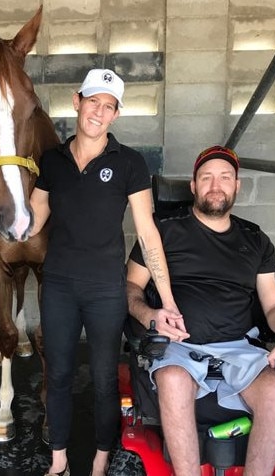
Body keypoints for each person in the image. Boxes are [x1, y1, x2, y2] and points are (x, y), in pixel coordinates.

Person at [29, 68, 181, 476]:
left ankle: (99, 459)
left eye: (108, 106)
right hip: (58, 285)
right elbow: (31, 222)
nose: (99, 111)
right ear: (77, 102)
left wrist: (167, 302)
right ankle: (58, 459)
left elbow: (148, 234)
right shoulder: (52, 161)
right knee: (57, 374)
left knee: (103, 379)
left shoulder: (130, 162)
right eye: (93, 101)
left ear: (115, 115)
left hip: (104, 290)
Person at [126, 145, 275, 476]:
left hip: (239, 349)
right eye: (206, 177)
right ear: (193, 186)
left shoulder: (256, 240)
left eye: (225, 177)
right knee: (172, 379)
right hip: (178, 346)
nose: (215, 185)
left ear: (236, 185)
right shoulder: (163, 229)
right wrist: (149, 315)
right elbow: (130, 288)